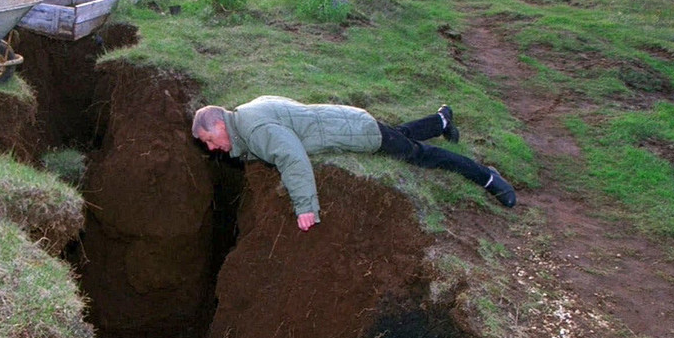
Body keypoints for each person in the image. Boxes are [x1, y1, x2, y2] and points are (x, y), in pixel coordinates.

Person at [192, 96, 516, 232]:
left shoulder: (255, 129)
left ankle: (487, 177)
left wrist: (306, 207)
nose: (211, 148)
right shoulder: (247, 112)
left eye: (209, 140)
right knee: (398, 137)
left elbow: (291, 157)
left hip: (357, 132)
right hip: (345, 118)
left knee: (417, 155)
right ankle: (441, 121)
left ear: (220, 125)